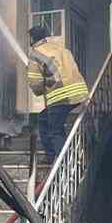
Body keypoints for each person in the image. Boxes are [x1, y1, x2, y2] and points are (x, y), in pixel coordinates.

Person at [27, 22, 88, 163]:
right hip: (78, 94)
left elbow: (36, 85)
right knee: (43, 119)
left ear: (32, 39)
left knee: (55, 130)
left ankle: (64, 163)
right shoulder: (61, 49)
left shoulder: (35, 54)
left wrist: (40, 89)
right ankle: (50, 156)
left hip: (59, 96)